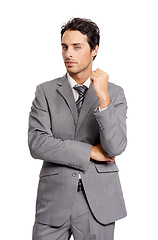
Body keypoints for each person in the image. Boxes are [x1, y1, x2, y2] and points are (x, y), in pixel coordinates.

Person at [28, 17, 128, 240]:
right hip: (53, 200)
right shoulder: (44, 92)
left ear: (94, 50)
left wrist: (104, 99)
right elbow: (37, 143)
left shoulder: (115, 93)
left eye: (76, 47)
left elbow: (115, 147)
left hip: (99, 202)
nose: (68, 54)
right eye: (64, 47)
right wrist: (90, 152)